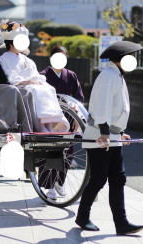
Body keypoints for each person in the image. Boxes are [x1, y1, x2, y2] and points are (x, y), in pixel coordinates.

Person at [75, 41, 143, 235]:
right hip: (100, 137)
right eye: (131, 57)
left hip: (111, 136)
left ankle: (121, 223)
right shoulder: (108, 76)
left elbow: (117, 110)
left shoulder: (117, 76)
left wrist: (120, 133)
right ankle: (82, 216)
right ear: (121, 59)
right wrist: (106, 132)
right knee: (98, 179)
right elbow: (102, 106)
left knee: (118, 178)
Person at [0, 19, 69, 134]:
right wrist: (27, 82)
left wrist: (37, 81)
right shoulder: (3, 59)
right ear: (10, 42)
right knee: (35, 90)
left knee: (49, 88)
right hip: (19, 88)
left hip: (30, 85)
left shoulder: (27, 60)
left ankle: (49, 124)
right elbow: (10, 77)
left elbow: (36, 75)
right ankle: (40, 125)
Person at [37, 45, 85, 199]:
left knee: (69, 153)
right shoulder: (42, 75)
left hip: (68, 117)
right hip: (51, 118)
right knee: (51, 152)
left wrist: (77, 117)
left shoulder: (71, 75)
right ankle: (49, 186)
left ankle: (60, 181)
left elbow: (79, 98)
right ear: (51, 58)